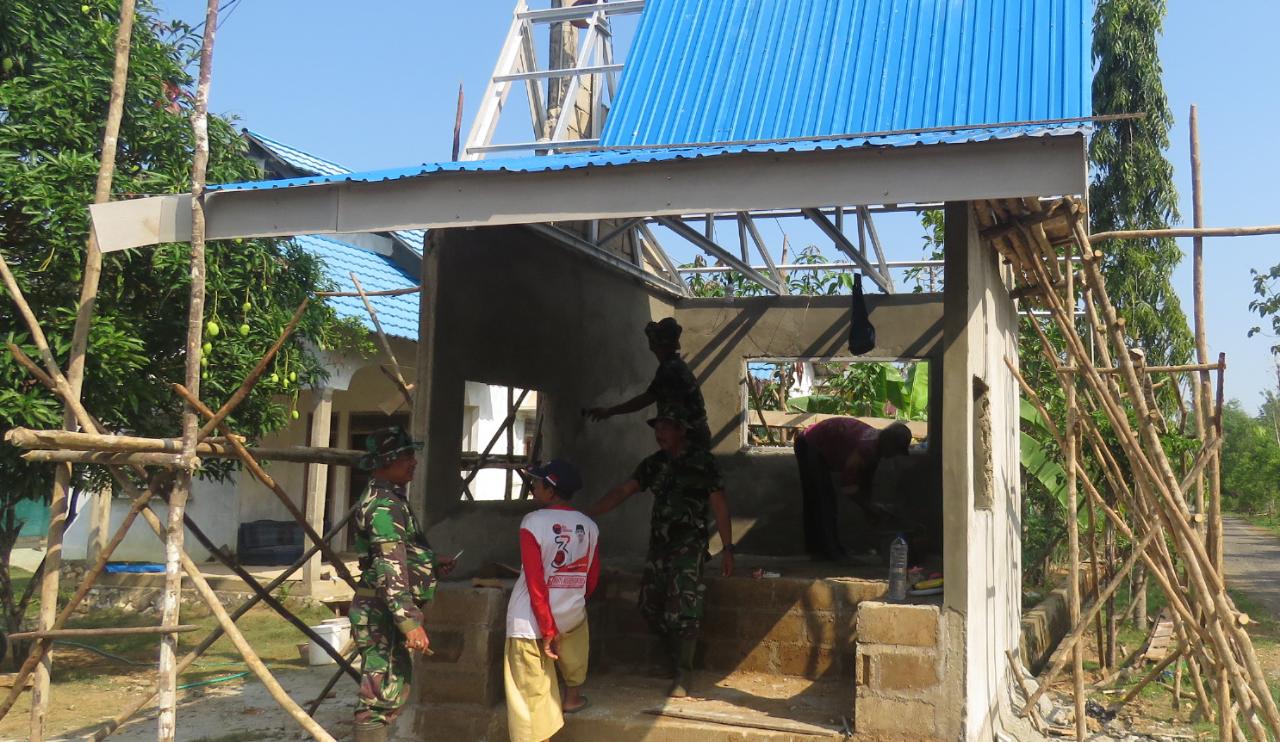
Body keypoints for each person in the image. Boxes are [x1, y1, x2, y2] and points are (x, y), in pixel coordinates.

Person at [587, 405, 733, 698]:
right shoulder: (653, 464)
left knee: (684, 607)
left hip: (689, 545)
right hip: (659, 546)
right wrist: (586, 514)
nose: (659, 433)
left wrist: (728, 549)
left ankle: (684, 672)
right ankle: (673, 657)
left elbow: (719, 506)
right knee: (649, 605)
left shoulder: (703, 462)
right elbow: (623, 491)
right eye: (657, 428)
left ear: (681, 430)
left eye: (666, 427)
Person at [349, 427, 455, 742]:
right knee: (379, 697)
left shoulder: (390, 497)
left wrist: (430, 562)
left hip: (383, 609)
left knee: (389, 689)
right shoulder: (384, 505)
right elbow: (389, 566)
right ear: (387, 460)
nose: (413, 461)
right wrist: (409, 622)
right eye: (406, 455)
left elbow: (399, 552)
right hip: (382, 611)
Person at [504, 460, 600, 742]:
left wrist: (547, 628)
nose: (533, 487)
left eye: (537, 483)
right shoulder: (589, 526)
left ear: (551, 490)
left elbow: (536, 582)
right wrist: (570, 601)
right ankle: (572, 696)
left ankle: (538, 736)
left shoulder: (533, 522)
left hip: (529, 621)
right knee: (575, 644)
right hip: (570, 612)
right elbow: (591, 578)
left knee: (528, 691)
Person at [792, 417, 912, 560]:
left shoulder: (876, 446)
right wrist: (868, 507)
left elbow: (866, 480)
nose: (893, 456)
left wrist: (869, 507)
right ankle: (831, 552)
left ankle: (824, 551)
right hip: (809, 443)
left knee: (820, 499)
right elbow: (847, 484)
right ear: (888, 443)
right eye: (895, 450)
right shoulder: (865, 449)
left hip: (814, 441)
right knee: (824, 501)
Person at [587, 318, 712, 450]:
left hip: (689, 439)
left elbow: (645, 399)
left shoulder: (669, 369)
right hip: (691, 436)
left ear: (660, 344)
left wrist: (609, 411)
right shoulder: (674, 365)